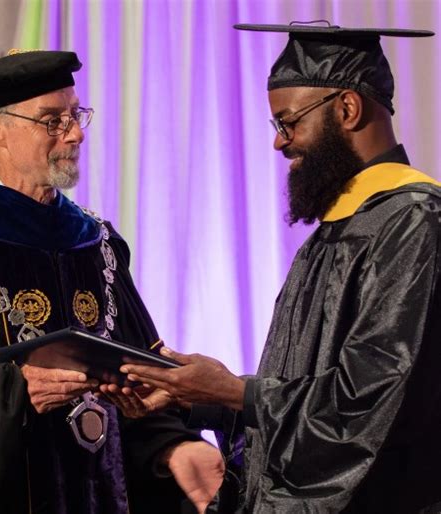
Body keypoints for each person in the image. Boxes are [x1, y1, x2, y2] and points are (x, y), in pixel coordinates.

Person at [107, 23, 441, 514]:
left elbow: (376, 405)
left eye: (288, 122)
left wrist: (235, 392)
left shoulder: (415, 224)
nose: (279, 144)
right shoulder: (336, 231)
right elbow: (308, 395)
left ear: (347, 109)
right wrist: (200, 398)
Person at [0, 49, 224, 514]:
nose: (76, 133)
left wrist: (174, 446)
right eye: (52, 120)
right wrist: (12, 392)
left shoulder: (97, 242)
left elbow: (139, 375)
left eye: (75, 114)